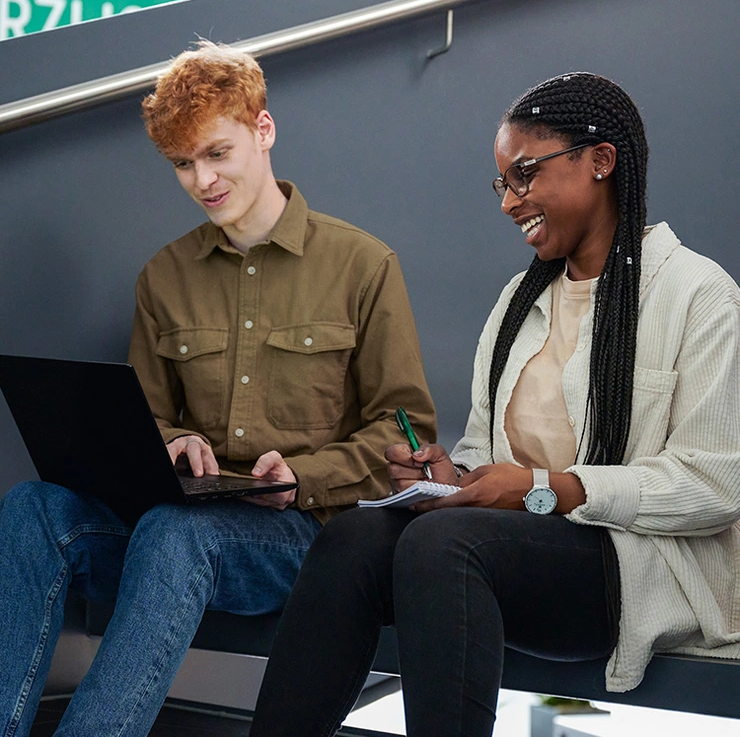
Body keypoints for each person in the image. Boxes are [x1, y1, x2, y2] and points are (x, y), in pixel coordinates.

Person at [249, 72, 740, 737]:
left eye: (527, 174)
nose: (511, 201)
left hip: (636, 565)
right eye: (503, 182)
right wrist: (452, 479)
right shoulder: (519, 301)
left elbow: (713, 486)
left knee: (445, 543)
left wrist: (543, 488)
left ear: (601, 161)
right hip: (520, 547)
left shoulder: (699, 296)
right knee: (356, 537)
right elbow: (491, 459)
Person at [0, 41, 436, 736]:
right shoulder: (163, 277)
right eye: (182, 164)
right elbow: (148, 417)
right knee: (32, 511)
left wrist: (304, 474)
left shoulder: (362, 264)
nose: (202, 179)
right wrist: (173, 444)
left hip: (300, 542)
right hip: (170, 537)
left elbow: (403, 428)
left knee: (179, 534)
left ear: (263, 131)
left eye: (217, 153)